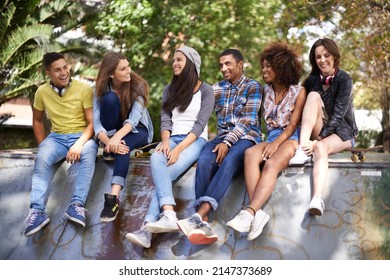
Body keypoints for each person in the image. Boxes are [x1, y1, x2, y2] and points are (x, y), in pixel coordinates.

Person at [125, 46, 214, 248]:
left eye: (179, 60)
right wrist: (165, 143)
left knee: (168, 173)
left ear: (191, 64)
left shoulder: (206, 90)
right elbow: (166, 122)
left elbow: (200, 126)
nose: (174, 63)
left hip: (195, 140)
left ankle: (147, 228)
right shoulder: (168, 89)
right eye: (174, 60)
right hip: (172, 138)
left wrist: (177, 149)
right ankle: (169, 213)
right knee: (156, 157)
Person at [176, 49, 263, 245]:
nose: (223, 68)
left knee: (230, 159)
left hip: (247, 137)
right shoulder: (216, 88)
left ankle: (198, 215)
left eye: (228, 64)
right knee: (205, 159)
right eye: (221, 65)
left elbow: (247, 121)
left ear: (240, 65)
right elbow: (194, 101)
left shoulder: (253, 87)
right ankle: (202, 221)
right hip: (221, 137)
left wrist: (227, 143)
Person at [226, 41, 306, 240]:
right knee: (250, 153)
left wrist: (276, 144)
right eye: (263, 66)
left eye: (268, 66)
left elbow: (292, 125)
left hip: (291, 138)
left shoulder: (299, 91)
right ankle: (258, 214)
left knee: (271, 165)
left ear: (281, 67)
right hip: (270, 137)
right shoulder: (265, 90)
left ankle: (250, 211)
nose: (264, 70)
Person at [24, 52, 98, 237]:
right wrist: (43, 145)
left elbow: (92, 124)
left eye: (65, 67)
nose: (64, 72)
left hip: (81, 136)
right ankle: (37, 212)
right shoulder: (41, 92)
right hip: (56, 137)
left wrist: (78, 145)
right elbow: (37, 120)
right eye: (57, 70)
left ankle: (76, 205)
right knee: (41, 157)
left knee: (90, 150)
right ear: (48, 73)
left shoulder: (84, 89)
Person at [289, 38, 358, 215]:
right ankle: (302, 149)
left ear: (334, 57)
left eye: (326, 55)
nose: (322, 60)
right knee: (312, 95)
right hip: (319, 128)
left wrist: (317, 140)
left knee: (320, 148)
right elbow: (298, 108)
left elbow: (337, 116)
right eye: (318, 56)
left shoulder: (344, 79)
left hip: (342, 130)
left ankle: (317, 199)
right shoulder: (312, 80)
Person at [93, 52, 153, 222]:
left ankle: (113, 198)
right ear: (111, 73)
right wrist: (109, 142)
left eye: (128, 66)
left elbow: (133, 121)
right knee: (110, 99)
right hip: (111, 134)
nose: (129, 71)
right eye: (123, 68)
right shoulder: (99, 89)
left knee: (123, 147)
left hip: (137, 130)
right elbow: (97, 124)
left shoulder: (139, 86)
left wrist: (115, 141)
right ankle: (112, 148)